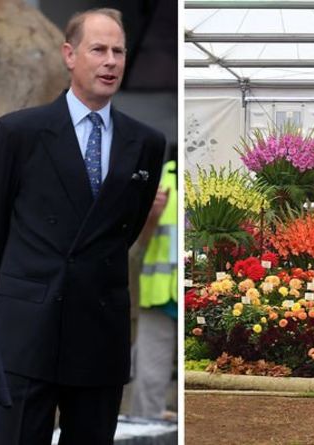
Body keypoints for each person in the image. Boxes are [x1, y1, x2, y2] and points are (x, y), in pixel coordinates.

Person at [0, 7, 165, 445]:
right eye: (98, 49)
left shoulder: (146, 143)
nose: (111, 61)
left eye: (119, 51)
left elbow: (123, 230)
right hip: (26, 332)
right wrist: (19, 296)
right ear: (69, 55)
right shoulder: (17, 133)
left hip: (99, 329)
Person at [130, 158, 178, 420]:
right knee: (149, 377)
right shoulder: (158, 180)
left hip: (195, 298)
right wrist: (149, 218)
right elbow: (133, 248)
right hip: (158, 295)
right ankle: (145, 429)